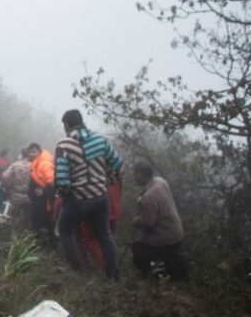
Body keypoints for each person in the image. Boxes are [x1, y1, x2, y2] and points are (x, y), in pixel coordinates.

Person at [54, 109, 122, 279]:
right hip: (101, 197)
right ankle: (113, 275)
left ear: (68, 125)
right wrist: (107, 181)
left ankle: (78, 271)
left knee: (64, 230)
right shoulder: (100, 140)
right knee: (104, 235)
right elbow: (118, 164)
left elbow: (62, 179)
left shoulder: (64, 145)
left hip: (78, 199)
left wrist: (67, 198)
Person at [132, 159, 188, 281]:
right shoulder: (160, 181)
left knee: (138, 249)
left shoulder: (149, 197)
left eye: (135, 173)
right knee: (177, 268)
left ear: (141, 175)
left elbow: (148, 222)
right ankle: (166, 273)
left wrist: (136, 221)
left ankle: (148, 277)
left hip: (164, 237)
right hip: (176, 232)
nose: (134, 177)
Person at [26, 142, 55, 243]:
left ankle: (48, 243)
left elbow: (51, 182)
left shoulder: (44, 163)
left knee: (45, 221)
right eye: (29, 152)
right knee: (39, 221)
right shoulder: (36, 163)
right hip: (38, 200)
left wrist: (44, 191)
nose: (31, 154)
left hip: (44, 200)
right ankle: (40, 241)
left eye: (34, 152)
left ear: (39, 151)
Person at [0, 149, 32, 227]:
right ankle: (25, 231)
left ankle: (11, 231)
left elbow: (5, 176)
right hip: (28, 195)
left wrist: (9, 185)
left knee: (13, 215)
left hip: (15, 194)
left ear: (20, 155)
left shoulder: (15, 165)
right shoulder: (33, 165)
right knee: (27, 216)